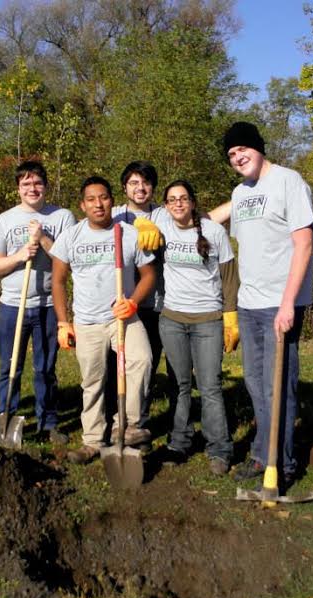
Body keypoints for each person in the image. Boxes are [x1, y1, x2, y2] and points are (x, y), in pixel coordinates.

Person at [219, 122, 313, 487]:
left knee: (279, 386)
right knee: (256, 384)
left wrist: (289, 303)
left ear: (259, 147)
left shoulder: (290, 181)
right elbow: (216, 222)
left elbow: (303, 243)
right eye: (231, 154)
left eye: (242, 149)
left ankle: (284, 463)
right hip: (249, 303)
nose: (237, 156)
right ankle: (262, 455)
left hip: (280, 304)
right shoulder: (241, 193)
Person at [51, 176, 155, 464]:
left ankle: (129, 425)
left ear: (112, 201)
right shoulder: (70, 237)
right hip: (87, 320)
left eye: (104, 198)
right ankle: (94, 441)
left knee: (142, 360)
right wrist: (63, 322)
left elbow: (149, 275)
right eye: (92, 199)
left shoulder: (128, 233)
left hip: (121, 315)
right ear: (83, 205)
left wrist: (133, 302)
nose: (99, 204)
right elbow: (58, 282)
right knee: (92, 381)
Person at [152, 180, 239, 474]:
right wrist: (141, 229)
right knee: (179, 385)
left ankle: (220, 449)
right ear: (166, 205)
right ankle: (180, 441)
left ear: (192, 202)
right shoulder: (161, 224)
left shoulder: (214, 231)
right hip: (172, 319)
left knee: (211, 386)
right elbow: (131, 220)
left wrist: (230, 315)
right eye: (172, 199)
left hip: (208, 321)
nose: (178, 203)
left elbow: (228, 275)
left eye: (183, 198)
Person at [0, 161, 76, 444]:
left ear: (46, 187)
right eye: (26, 184)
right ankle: (8, 418)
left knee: (45, 368)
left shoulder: (63, 217)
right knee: (9, 366)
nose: (32, 188)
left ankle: (48, 423)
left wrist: (45, 239)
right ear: (18, 189)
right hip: (13, 305)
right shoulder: (4, 220)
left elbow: (69, 262)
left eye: (37, 183)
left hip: (49, 305)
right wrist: (20, 255)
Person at [110, 161, 173, 434]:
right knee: (117, 365)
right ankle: (113, 419)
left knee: (146, 363)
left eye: (145, 183)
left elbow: (195, 222)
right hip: (120, 303)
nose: (140, 188)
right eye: (134, 183)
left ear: (153, 187)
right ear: (124, 187)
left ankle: (139, 422)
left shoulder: (164, 214)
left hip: (155, 302)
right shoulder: (113, 214)